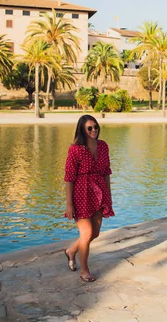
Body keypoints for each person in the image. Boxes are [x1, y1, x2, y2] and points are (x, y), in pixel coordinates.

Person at [63, 115, 114, 282]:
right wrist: (69, 204)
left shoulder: (103, 146)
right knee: (87, 233)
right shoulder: (75, 150)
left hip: (99, 192)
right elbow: (69, 178)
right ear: (82, 131)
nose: (94, 130)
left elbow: (106, 172)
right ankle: (84, 270)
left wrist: (109, 196)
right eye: (90, 128)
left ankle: (71, 251)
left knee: (96, 233)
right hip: (81, 194)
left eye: (96, 127)